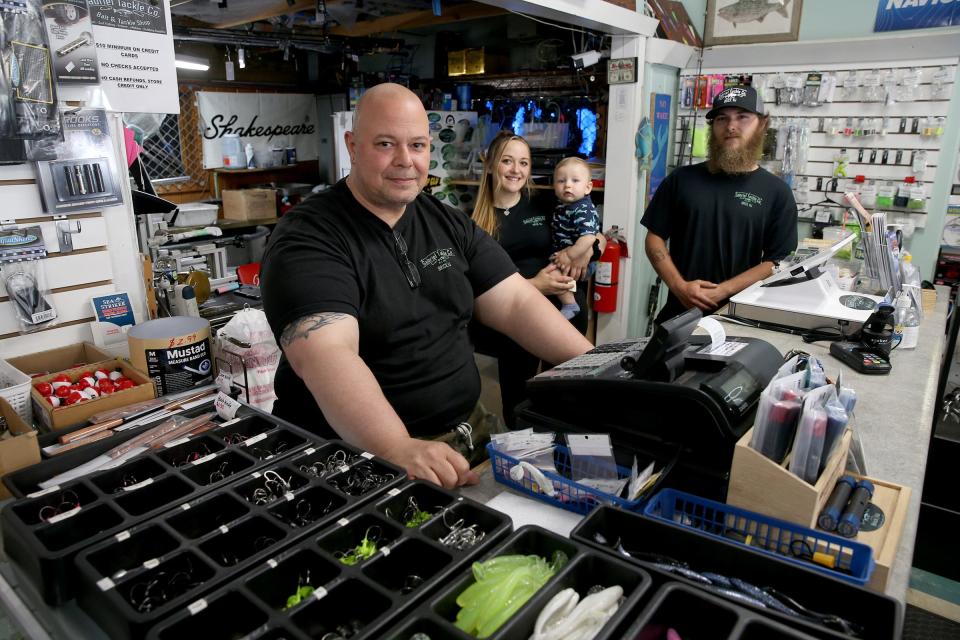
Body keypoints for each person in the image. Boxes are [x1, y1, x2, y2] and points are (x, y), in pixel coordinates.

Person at [260, 84, 592, 489]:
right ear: (352, 144)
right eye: (385, 144)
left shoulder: (444, 220)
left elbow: (516, 302)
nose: (405, 161)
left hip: (469, 433)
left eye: (417, 145)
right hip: (361, 457)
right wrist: (395, 445)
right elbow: (327, 354)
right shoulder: (309, 237)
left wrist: (600, 368)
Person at [471, 131, 602, 426]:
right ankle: (525, 464)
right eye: (507, 161)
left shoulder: (546, 201)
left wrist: (586, 251)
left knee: (566, 394)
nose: (516, 170)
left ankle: (561, 459)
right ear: (491, 164)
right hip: (515, 322)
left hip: (565, 311)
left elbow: (596, 232)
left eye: (524, 162)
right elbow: (475, 285)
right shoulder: (474, 221)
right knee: (520, 401)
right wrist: (534, 285)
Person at [641, 85, 798, 323]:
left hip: (738, 320)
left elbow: (776, 261)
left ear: (762, 124)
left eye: (742, 117)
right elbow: (654, 237)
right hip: (677, 317)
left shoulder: (777, 192)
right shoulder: (681, 179)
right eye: (722, 118)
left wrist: (723, 290)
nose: (731, 127)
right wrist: (679, 286)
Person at [550, 157, 602, 320]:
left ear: (588, 188)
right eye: (561, 181)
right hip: (571, 255)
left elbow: (588, 239)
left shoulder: (582, 209)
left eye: (575, 180)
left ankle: (570, 304)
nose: (567, 185)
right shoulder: (564, 206)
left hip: (580, 260)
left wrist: (570, 255)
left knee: (554, 271)